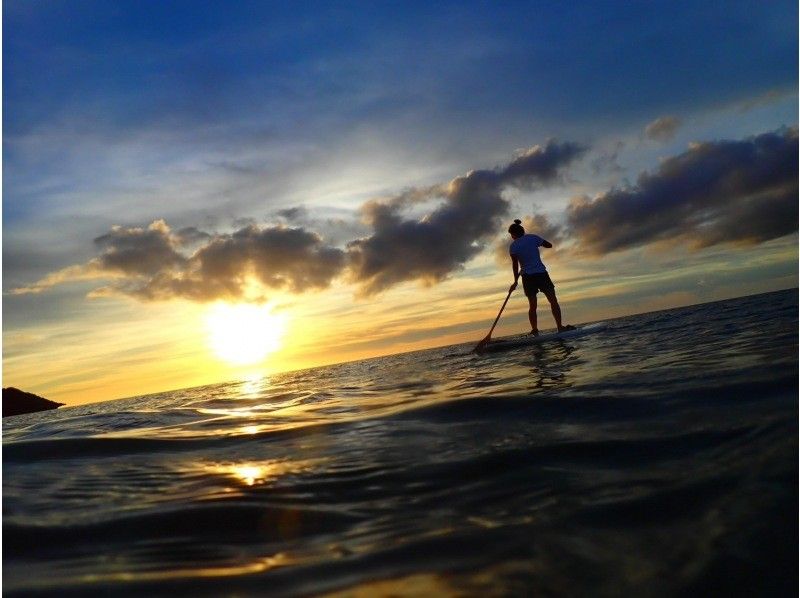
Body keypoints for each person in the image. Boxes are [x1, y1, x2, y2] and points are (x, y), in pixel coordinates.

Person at [507, 219, 575, 335]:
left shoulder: (513, 246)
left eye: (511, 235)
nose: (511, 237)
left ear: (513, 234)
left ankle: (535, 330)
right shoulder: (533, 238)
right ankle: (559, 327)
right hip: (541, 273)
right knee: (553, 300)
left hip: (527, 276)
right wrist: (537, 244)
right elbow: (549, 245)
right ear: (522, 231)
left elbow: (515, 265)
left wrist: (515, 281)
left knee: (532, 305)